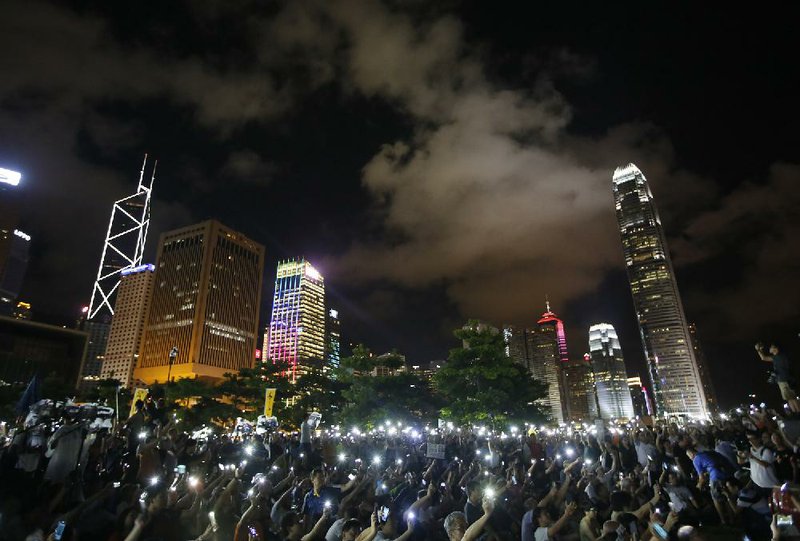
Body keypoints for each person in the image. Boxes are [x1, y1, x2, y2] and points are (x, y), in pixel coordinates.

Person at [755, 342, 800, 413]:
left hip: (786, 380)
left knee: (792, 398)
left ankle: (797, 412)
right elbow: (763, 358)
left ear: (775, 348)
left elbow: (764, 358)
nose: (769, 349)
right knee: (789, 399)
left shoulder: (780, 357)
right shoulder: (777, 357)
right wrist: (759, 350)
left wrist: (759, 350)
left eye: (771, 347)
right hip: (782, 380)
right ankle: (795, 413)